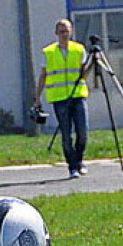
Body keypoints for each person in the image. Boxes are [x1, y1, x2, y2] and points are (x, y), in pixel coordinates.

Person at [34, 19, 90, 179]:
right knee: (66, 134)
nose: (64, 34)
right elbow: (43, 75)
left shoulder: (79, 49)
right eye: (61, 31)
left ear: (71, 31)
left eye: (66, 31)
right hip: (60, 98)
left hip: (78, 95)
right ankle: (72, 166)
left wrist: (92, 65)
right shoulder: (49, 52)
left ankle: (80, 161)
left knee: (83, 132)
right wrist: (37, 97)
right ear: (56, 33)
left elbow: (84, 74)